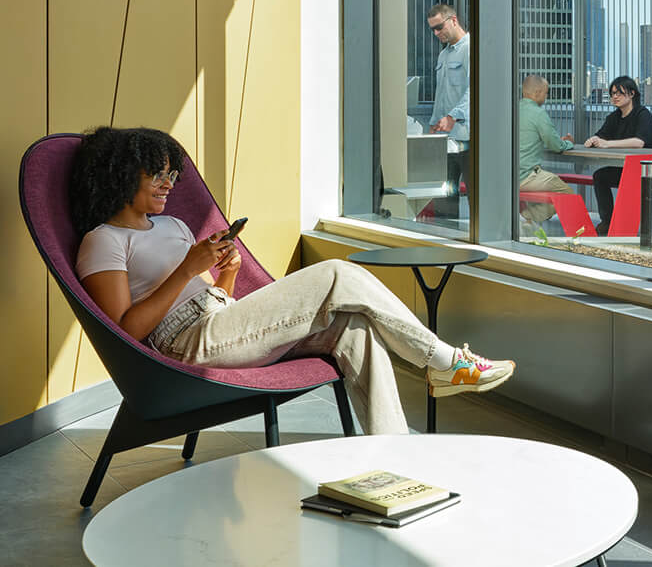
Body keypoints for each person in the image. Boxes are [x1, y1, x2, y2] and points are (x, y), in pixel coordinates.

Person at [72, 126, 514, 436]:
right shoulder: (103, 241)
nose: (169, 184)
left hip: (218, 321)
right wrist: (188, 269)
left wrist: (224, 273)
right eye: (158, 174)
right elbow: (126, 331)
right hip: (181, 344)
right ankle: (445, 362)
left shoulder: (174, 227)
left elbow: (213, 299)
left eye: (173, 174)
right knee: (337, 274)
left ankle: (393, 461)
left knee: (353, 330)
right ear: (123, 175)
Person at [584, 75, 652, 236]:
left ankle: (626, 227)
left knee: (632, 176)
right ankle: (608, 222)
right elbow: (600, 136)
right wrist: (593, 140)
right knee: (600, 176)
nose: (615, 97)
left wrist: (607, 144)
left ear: (632, 94)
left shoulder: (643, 114)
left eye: (619, 93)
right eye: (613, 93)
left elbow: (639, 142)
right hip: (631, 169)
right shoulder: (614, 117)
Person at [426, 2, 470, 220]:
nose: (436, 33)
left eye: (439, 27)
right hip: (446, 137)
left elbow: (476, 90)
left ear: (453, 20)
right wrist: (435, 123)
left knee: (476, 195)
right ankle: (446, 240)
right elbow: (441, 94)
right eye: (432, 29)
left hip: (468, 138)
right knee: (445, 195)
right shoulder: (443, 56)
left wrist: (454, 116)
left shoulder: (471, 49)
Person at [518, 74, 575, 234]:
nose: (546, 96)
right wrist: (568, 143)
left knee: (547, 192)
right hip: (527, 176)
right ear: (537, 93)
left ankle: (528, 220)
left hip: (509, 176)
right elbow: (556, 146)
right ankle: (528, 217)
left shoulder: (512, 110)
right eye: (546, 92)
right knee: (568, 195)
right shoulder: (538, 114)